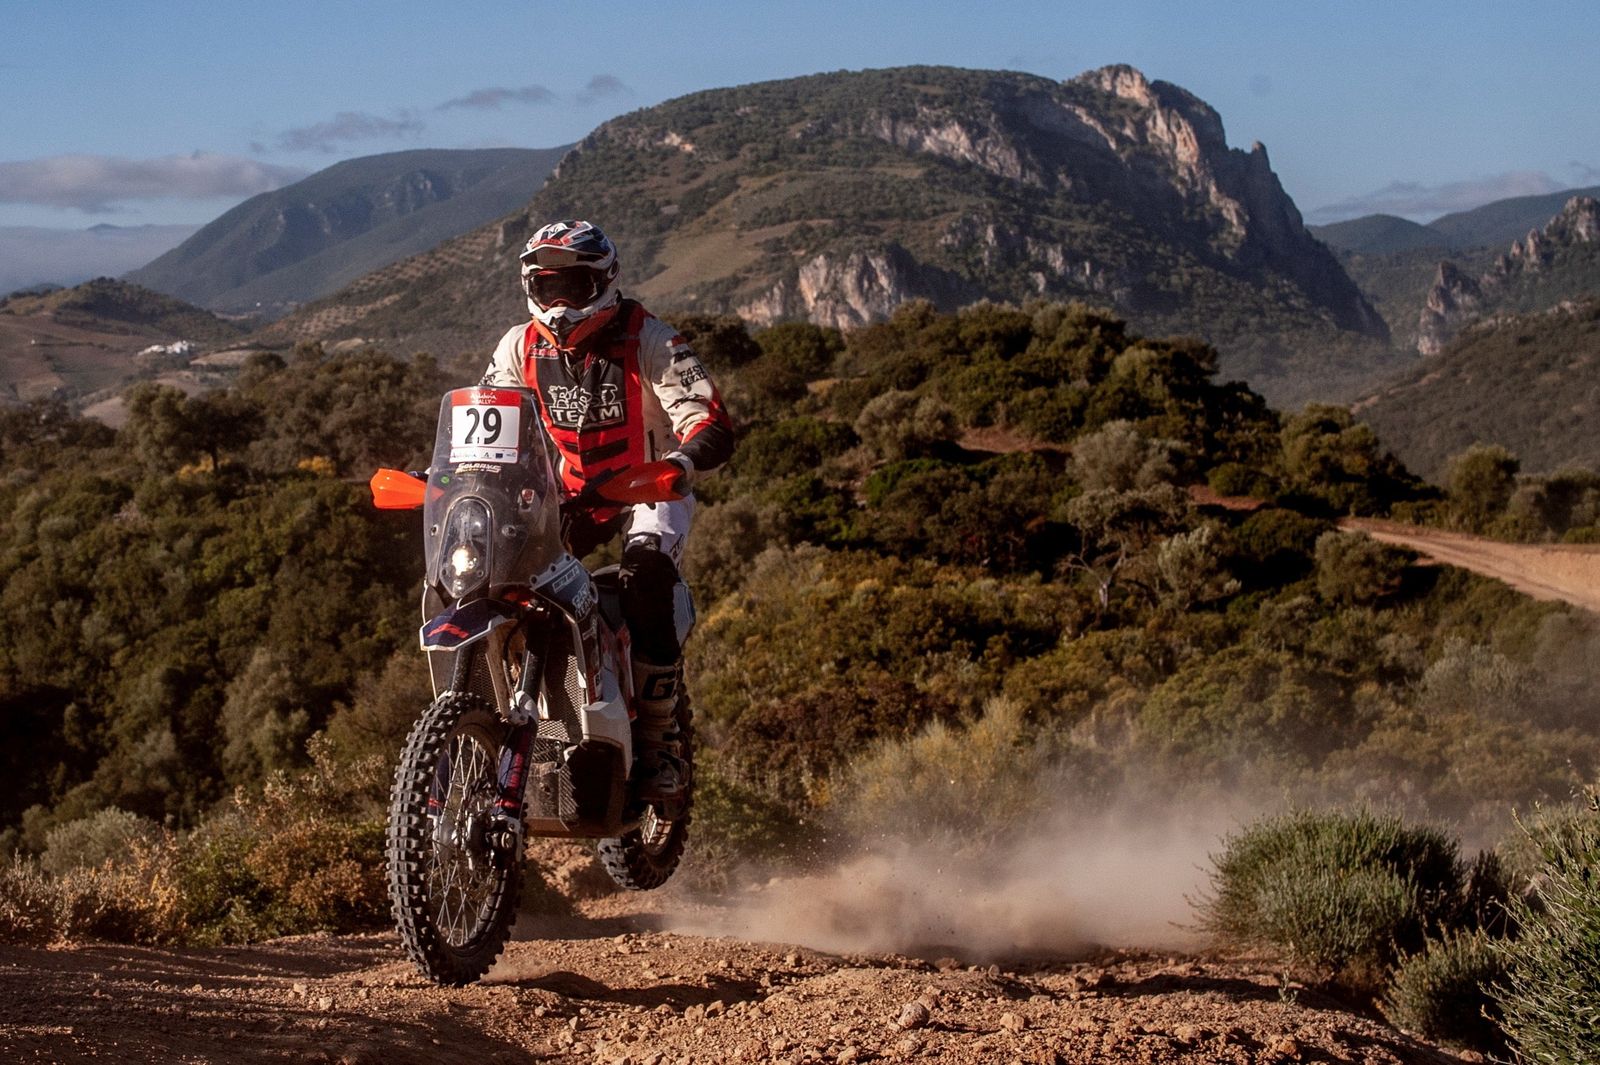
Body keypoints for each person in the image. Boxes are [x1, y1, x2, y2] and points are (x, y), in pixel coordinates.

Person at [480, 220, 733, 802]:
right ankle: (513, 721)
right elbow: (488, 425)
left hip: (646, 490)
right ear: (531, 289)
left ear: (605, 282)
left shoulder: (652, 339)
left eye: (576, 284)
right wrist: (446, 474)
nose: (562, 301)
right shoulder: (518, 346)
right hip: (565, 499)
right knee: (497, 575)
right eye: (549, 287)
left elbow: (707, 419)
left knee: (644, 574)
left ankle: (662, 736)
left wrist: (684, 462)